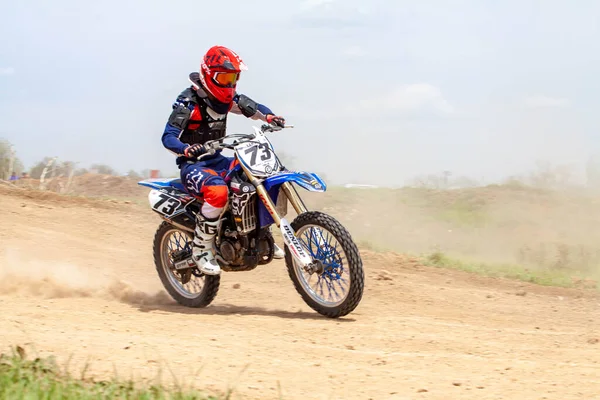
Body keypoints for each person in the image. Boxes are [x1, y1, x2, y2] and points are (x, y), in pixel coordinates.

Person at [161, 45, 286, 275]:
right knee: (219, 192)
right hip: (194, 165)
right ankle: (201, 249)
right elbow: (168, 136)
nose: (229, 84)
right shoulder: (188, 101)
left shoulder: (227, 99)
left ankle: (260, 233)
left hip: (217, 160)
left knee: (257, 174)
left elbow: (253, 108)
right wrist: (186, 149)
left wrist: (270, 116)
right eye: (224, 78)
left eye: (233, 78)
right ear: (209, 74)